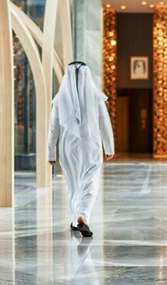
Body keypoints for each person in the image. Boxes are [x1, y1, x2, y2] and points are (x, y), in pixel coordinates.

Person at [47, 61, 114, 238]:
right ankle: (82, 215)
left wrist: (51, 152)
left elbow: (53, 128)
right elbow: (104, 125)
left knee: (73, 184)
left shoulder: (60, 99)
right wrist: (109, 147)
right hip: (91, 145)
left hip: (68, 148)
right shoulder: (95, 97)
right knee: (90, 183)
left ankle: (76, 220)